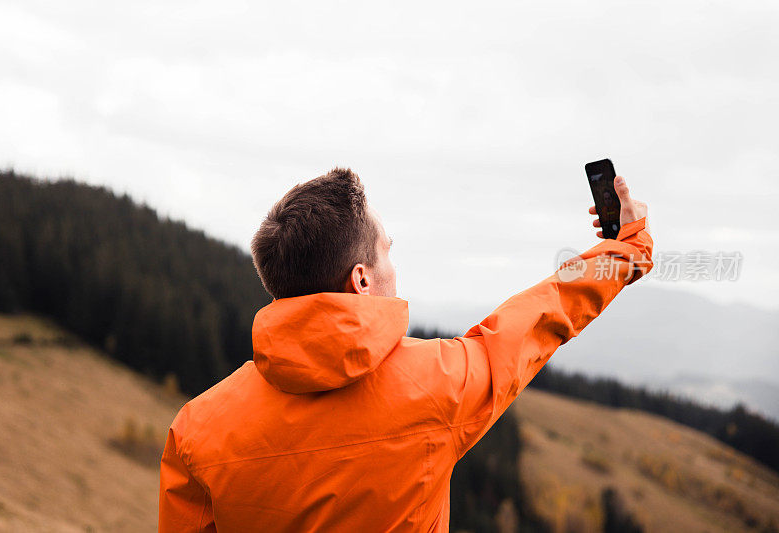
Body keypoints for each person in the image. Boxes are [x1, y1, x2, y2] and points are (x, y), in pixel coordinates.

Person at [158, 168, 652, 532]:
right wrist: (625, 248)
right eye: (387, 250)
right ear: (362, 279)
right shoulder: (437, 385)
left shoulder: (196, 431)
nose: (395, 266)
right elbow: (541, 316)